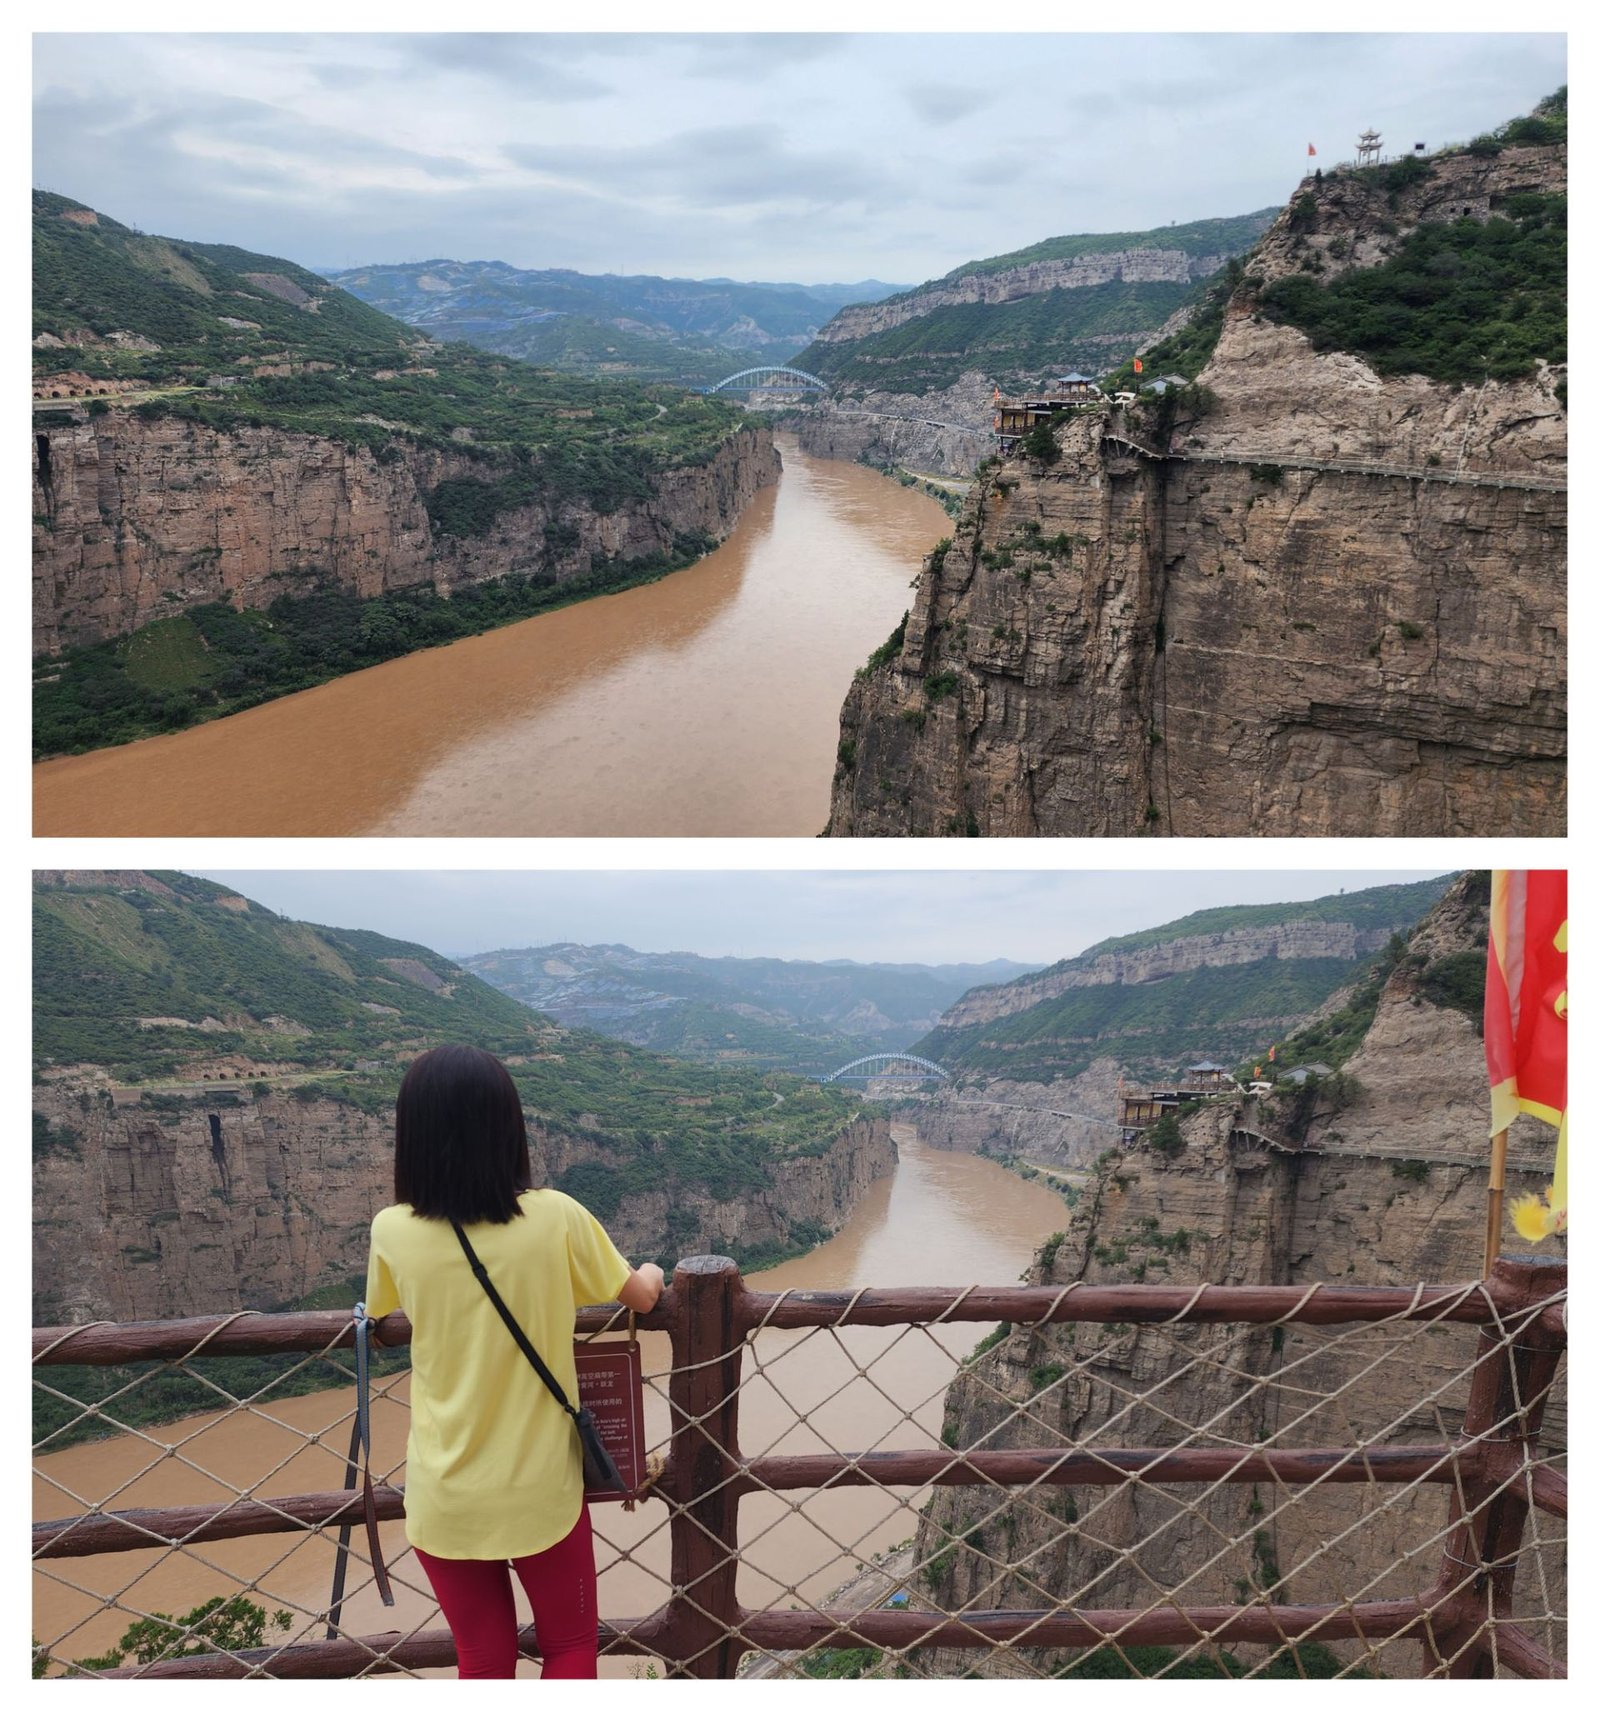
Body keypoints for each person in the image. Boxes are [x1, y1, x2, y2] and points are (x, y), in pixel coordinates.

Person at [364, 1044, 665, 1679]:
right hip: (540, 1493)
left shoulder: (391, 1229)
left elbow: (383, 1315)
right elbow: (638, 1295)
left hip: (444, 1494)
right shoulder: (554, 1216)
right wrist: (657, 1269)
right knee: (571, 1647)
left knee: (482, 1657)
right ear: (508, 1129)